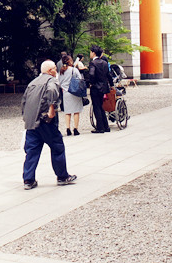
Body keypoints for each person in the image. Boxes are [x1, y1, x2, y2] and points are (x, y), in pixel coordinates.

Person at [20, 60, 76, 190]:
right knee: (57, 147)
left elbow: (24, 101)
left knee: (32, 151)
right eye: (55, 68)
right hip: (45, 121)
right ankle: (62, 177)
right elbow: (51, 90)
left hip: (31, 122)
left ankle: (28, 180)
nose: (56, 70)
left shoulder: (32, 83)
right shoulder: (52, 81)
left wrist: (26, 117)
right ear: (50, 71)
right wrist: (52, 108)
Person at [88, 45, 111, 134]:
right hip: (103, 87)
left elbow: (92, 74)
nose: (90, 53)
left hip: (95, 87)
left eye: (90, 52)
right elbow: (108, 75)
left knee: (96, 107)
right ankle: (106, 126)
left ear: (93, 53)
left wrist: (91, 83)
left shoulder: (93, 63)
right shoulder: (104, 63)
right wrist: (111, 85)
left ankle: (100, 127)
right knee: (101, 106)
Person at [58, 54, 82, 136]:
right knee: (76, 111)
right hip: (75, 92)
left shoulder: (61, 71)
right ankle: (75, 128)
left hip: (65, 92)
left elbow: (59, 82)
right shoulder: (74, 70)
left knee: (67, 111)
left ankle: (68, 128)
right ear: (70, 61)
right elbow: (80, 79)